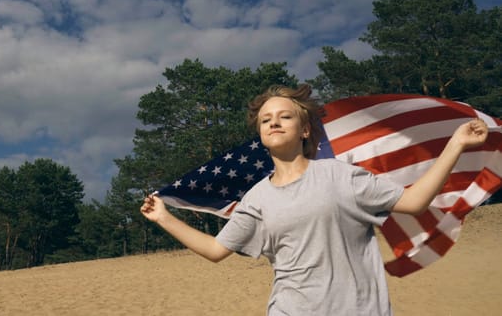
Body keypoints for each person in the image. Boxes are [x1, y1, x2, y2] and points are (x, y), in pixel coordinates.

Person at [140, 84, 488, 315]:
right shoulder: (256, 198)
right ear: (260, 135)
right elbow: (217, 251)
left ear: (305, 130)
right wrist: (164, 217)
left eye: (285, 116)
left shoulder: (340, 175)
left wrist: (455, 144)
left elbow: (414, 203)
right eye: (266, 120)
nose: (274, 122)